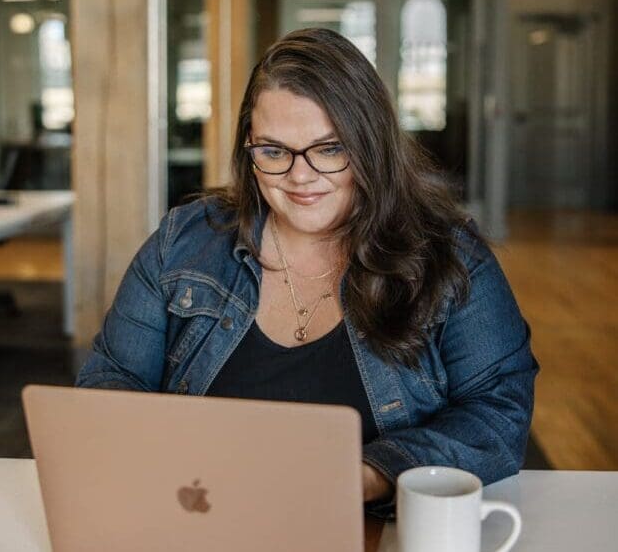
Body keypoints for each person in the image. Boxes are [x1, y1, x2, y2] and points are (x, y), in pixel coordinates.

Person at [76, 27, 538, 520]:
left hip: (373, 530)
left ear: (370, 145)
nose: (300, 175)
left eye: (329, 149)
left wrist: (366, 476)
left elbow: (498, 411)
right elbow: (112, 379)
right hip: (203, 523)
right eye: (274, 151)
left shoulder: (451, 256)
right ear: (248, 149)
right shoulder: (183, 244)